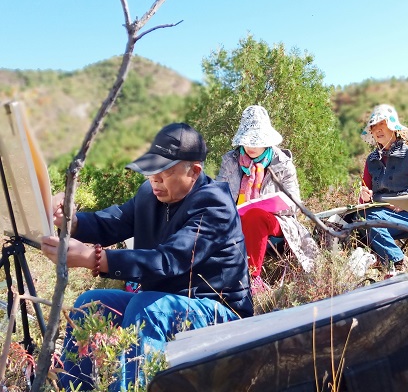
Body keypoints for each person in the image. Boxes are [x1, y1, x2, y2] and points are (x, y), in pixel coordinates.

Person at [41, 123, 253, 391]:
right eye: (151, 173)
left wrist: (94, 258)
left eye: (164, 174)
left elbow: (168, 261)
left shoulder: (214, 204)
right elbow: (111, 223)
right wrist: (68, 222)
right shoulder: (150, 194)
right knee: (90, 303)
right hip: (161, 302)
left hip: (220, 313)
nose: (154, 181)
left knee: (148, 308)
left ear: (194, 172)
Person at [216, 105, 319, 291]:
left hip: (276, 221)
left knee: (255, 215)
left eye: (256, 141)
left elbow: (295, 204)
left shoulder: (283, 163)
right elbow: (218, 196)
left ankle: (251, 278)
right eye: (248, 141)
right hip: (236, 219)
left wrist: (269, 205)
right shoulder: (230, 161)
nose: (251, 146)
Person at [358, 104, 408, 274]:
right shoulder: (371, 160)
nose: (377, 130)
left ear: (393, 127)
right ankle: (379, 264)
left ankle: (398, 261)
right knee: (351, 222)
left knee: (370, 222)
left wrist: (407, 203)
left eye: (382, 124)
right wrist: (364, 196)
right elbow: (364, 196)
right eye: (374, 126)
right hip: (378, 215)